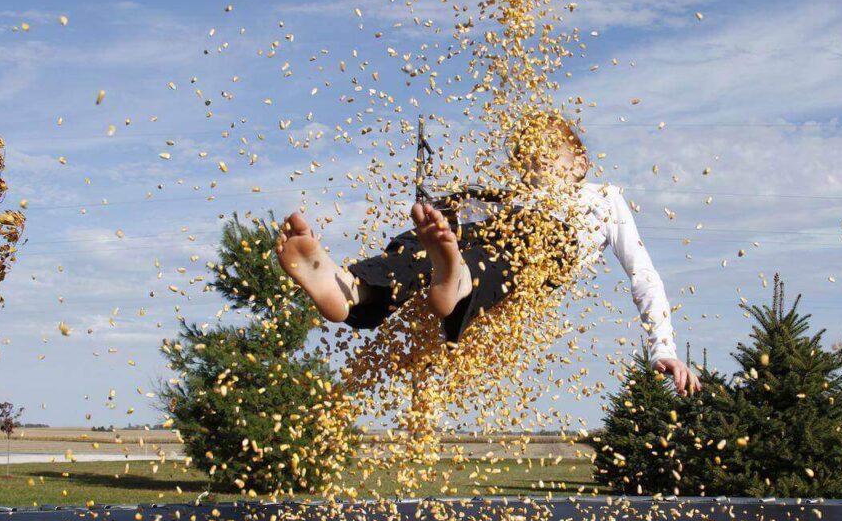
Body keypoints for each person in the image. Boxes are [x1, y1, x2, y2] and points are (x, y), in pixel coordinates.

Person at [276, 113, 702, 395]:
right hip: (498, 227)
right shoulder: (511, 197)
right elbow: (458, 215)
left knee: (497, 263)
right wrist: (437, 215)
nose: (534, 170)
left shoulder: (604, 200)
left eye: (544, 158)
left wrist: (662, 349)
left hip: (547, 248)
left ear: (579, 163)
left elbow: (643, 275)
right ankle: (353, 288)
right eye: (525, 163)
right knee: (424, 244)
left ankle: (458, 279)